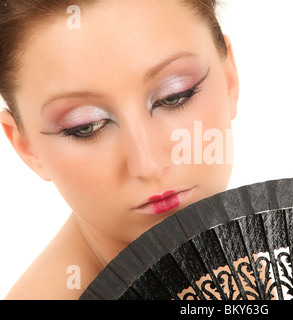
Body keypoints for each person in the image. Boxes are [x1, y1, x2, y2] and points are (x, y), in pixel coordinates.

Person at [0, 0, 239, 299]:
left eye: (174, 96)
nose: (148, 164)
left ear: (230, 78)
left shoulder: (243, 262)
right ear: (27, 148)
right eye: (86, 126)